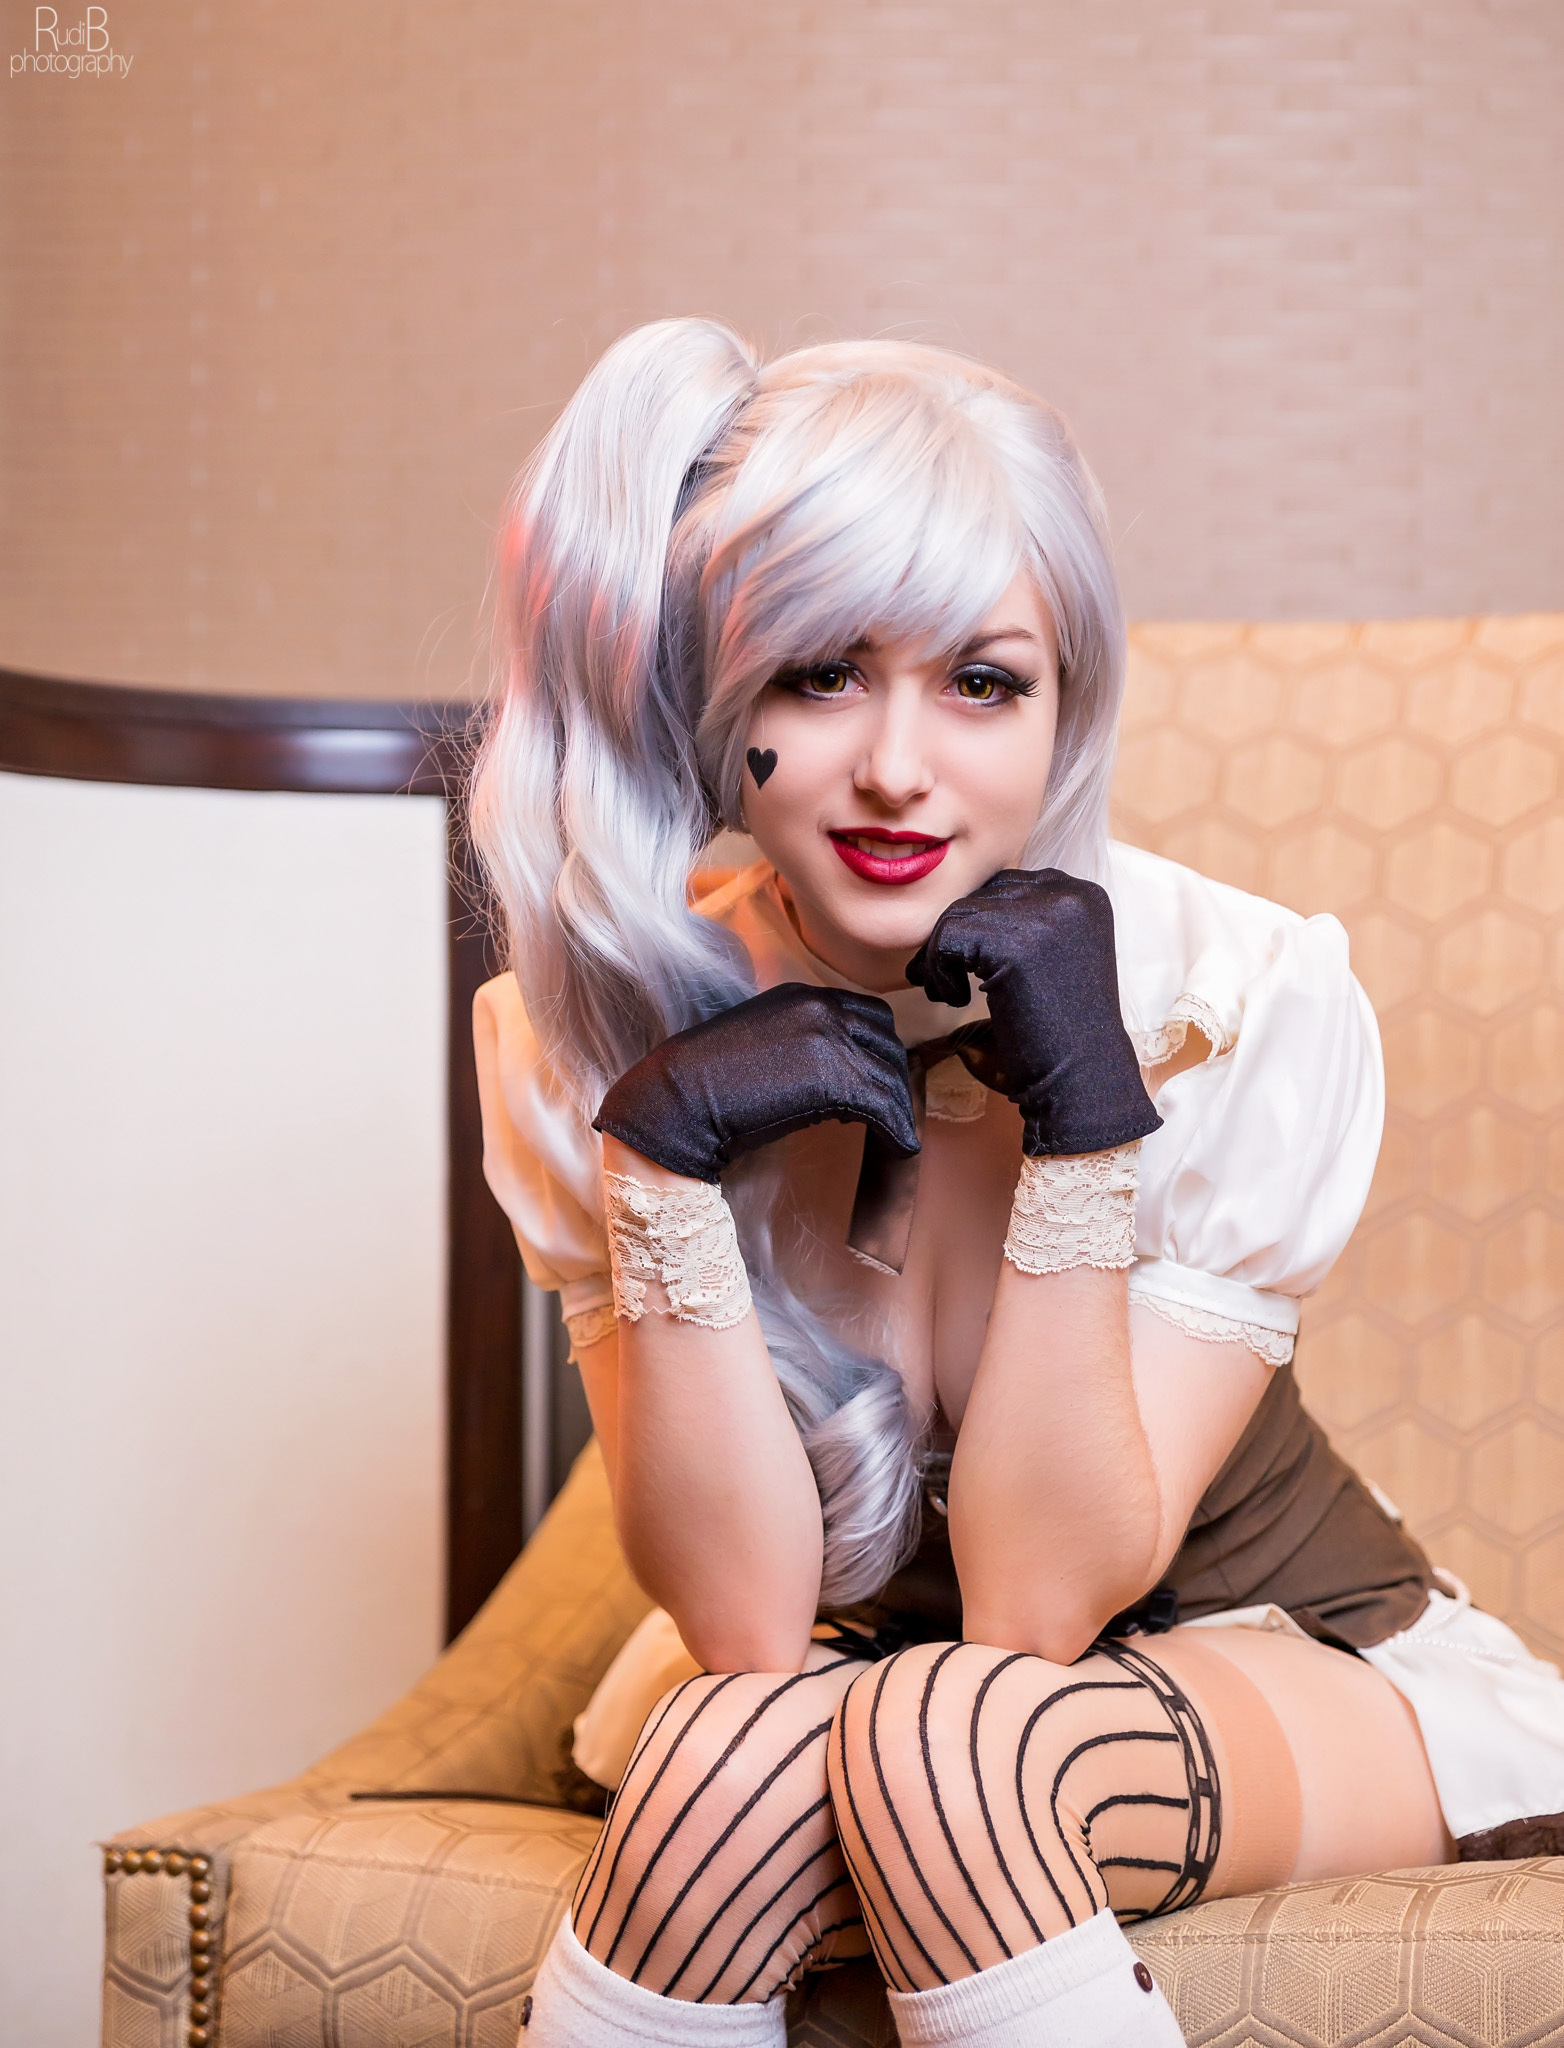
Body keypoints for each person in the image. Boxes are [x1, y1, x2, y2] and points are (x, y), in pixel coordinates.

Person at [468, 319, 1564, 2048]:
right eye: (821, 674)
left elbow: (1040, 1609)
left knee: (949, 1735)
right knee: (735, 1748)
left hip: (1266, 1645)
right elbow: (749, 1626)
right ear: (718, 699)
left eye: (983, 683)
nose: (900, 767)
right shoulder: (588, 1029)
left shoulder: (1231, 995)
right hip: (846, 1682)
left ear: (1069, 704)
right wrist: (662, 1166)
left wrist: (1087, 1128)